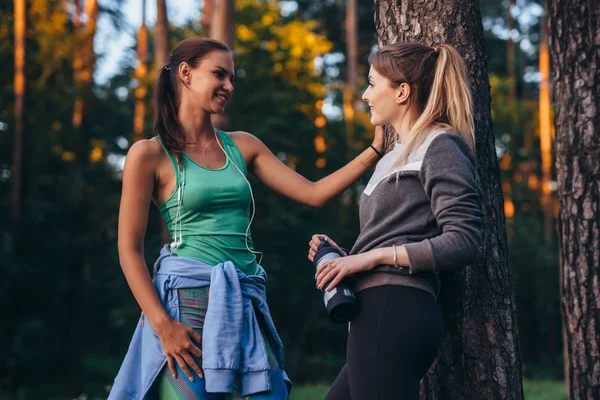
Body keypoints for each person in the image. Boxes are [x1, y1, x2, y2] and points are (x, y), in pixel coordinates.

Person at [108, 37, 384, 400]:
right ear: (186, 74)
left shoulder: (243, 146)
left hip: (244, 299)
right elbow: (129, 249)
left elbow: (314, 193)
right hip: (186, 305)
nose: (229, 87)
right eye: (219, 75)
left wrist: (377, 149)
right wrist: (163, 327)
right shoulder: (149, 154)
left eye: (232, 78)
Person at [308, 42, 482, 400]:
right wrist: (345, 256)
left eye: (372, 84)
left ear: (402, 91)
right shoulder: (391, 158)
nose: (366, 94)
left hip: (396, 307)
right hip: (375, 309)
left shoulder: (441, 145)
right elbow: (393, 234)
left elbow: (464, 240)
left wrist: (371, 258)